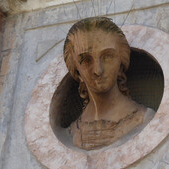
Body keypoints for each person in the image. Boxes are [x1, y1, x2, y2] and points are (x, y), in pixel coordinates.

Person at [63, 17, 155, 150]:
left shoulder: (143, 118)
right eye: (86, 60)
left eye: (107, 56)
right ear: (76, 71)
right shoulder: (72, 132)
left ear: (120, 64)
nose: (97, 70)